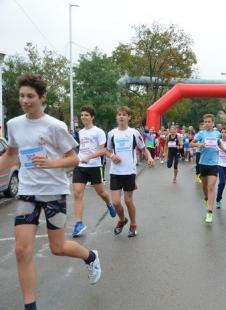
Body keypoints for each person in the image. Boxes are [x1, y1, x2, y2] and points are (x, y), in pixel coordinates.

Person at [0, 74, 101, 310]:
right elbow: (11, 154)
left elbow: (73, 159)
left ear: (41, 98)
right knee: (21, 250)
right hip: (27, 192)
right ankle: (30, 306)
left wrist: (50, 163)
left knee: (58, 248)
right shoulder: (14, 124)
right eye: (22, 96)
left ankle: (91, 257)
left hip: (54, 192)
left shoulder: (55, 126)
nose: (25, 100)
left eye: (30, 96)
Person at [107, 106, 154, 237]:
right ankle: (122, 220)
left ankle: (133, 224)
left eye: (124, 114)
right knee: (116, 202)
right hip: (115, 171)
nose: (121, 116)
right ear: (117, 117)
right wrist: (111, 156)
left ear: (129, 117)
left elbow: (143, 148)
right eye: (119, 114)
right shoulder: (111, 133)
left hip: (129, 171)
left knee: (128, 201)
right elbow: (107, 150)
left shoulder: (134, 133)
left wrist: (149, 157)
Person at [72, 106, 116, 238]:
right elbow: (80, 148)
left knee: (101, 192)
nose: (83, 117)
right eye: (82, 115)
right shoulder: (80, 133)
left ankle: (109, 203)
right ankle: (79, 223)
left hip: (94, 166)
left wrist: (89, 158)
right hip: (80, 165)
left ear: (92, 117)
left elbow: (103, 151)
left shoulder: (99, 132)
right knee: (77, 193)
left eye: (86, 115)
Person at [190, 114, 226, 223]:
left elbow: (219, 143)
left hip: (214, 164)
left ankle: (210, 212)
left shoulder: (217, 133)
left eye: (209, 121)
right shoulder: (201, 134)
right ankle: (206, 198)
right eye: (205, 122)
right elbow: (191, 144)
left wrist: (224, 150)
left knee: (211, 186)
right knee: (205, 186)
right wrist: (199, 145)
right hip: (203, 163)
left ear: (213, 123)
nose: (207, 123)